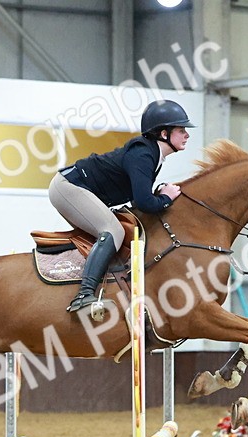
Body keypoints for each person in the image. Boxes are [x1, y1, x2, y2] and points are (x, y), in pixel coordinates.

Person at [49, 99, 194, 313]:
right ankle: (83, 295)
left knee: (118, 230)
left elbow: (138, 200)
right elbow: (143, 202)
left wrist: (159, 195)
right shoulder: (143, 154)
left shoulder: (153, 154)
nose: (187, 135)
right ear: (164, 134)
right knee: (113, 231)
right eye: (181, 130)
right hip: (68, 187)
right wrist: (166, 198)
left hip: (75, 187)